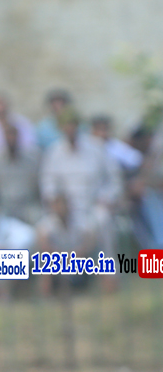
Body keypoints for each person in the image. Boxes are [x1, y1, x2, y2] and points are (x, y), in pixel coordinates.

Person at [40, 108, 122, 259]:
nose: (70, 129)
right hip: (65, 211)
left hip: (92, 207)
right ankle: (60, 269)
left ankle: (107, 267)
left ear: (78, 126)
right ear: (60, 127)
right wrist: (56, 202)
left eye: (73, 124)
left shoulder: (96, 147)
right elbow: (48, 183)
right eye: (66, 125)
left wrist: (107, 197)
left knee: (103, 218)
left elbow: (114, 178)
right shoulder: (54, 152)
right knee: (44, 229)